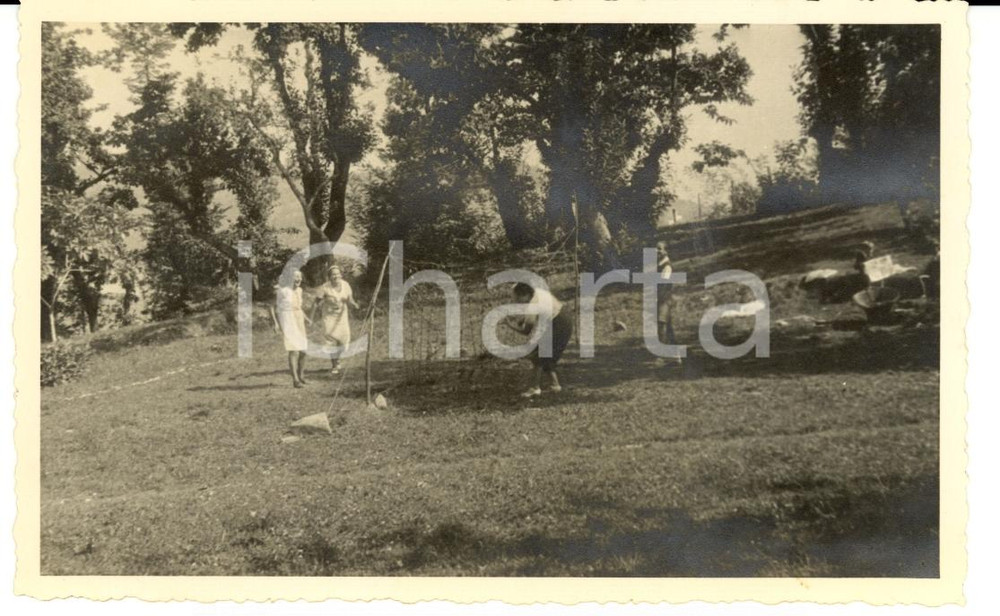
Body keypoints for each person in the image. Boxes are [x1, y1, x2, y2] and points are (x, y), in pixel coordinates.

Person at [504, 282, 573, 398]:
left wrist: (509, 324)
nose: (516, 301)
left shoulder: (532, 305)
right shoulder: (537, 292)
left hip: (558, 324)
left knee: (537, 355)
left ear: (525, 295)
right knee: (545, 356)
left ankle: (534, 388)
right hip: (563, 318)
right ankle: (555, 385)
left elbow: (526, 331)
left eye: (517, 298)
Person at [313, 264, 359, 375]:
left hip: (342, 316)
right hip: (329, 317)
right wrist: (311, 317)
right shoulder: (325, 287)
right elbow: (316, 303)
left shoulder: (346, 285)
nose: (336, 276)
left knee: (343, 340)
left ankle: (338, 358)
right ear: (329, 276)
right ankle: (334, 364)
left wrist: (355, 305)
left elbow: (350, 299)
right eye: (333, 274)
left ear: (341, 275)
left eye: (337, 274)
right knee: (331, 340)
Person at [275, 270, 310, 388]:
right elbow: (272, 306)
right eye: (295, 277)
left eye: (299, 276)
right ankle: (295, 380)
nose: (298, 279)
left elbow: (298, 307)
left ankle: (301, 375)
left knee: (304, 350)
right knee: (293, 350)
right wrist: (275, 323)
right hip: (288, 320)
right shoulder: (283, 291)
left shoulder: (300, 291)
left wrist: (307, 318)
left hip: (299, 320)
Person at [656, 240, 682, 366]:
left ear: (666, 251)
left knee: (662, 325)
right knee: (668, 327)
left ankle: (662, 356)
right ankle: (675, 355)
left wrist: (659, 299)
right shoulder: (659, 265)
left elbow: (664, 285)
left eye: (659, 249)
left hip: (664, 299)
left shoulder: (666, 266)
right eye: (656, 249)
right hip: (662, 298)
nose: (657, 251)